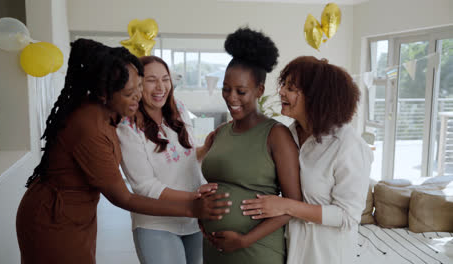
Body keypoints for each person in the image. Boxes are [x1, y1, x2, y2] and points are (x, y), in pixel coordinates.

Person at [16, 39, 230, 264]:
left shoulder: (112, 112)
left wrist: (205, 149)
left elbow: (175, 157)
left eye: (138, 86)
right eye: (130, 92)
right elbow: (124, 196)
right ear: (104, 93)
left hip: (79, 212)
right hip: (53, 215)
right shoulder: (92, 128)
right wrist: (190, 206)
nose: (138, 97)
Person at [241, 56, 374, 264]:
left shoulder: (348, 145)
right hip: (286, 250)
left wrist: (287, 206)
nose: (281, 92)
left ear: (317, 97)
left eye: (291, 88)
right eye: (284, 84)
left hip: (325, 256)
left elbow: (347, 216)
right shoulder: (286, 135)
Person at [200, 27, 302, 264]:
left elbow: (293, 205)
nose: (231, 97)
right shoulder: (220, 133)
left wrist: (245, 240)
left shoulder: (276, 135)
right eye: (226, 89)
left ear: (260, 90)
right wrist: (201, 209)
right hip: (214, 247)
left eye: (241, 91)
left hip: (256, 249)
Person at [117, 55, 218, 264]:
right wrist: (194, 199)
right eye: (151, 80)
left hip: (193, 221)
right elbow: (144, 186)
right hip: (156, 225)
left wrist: (206, 148)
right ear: (137, 84)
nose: (160, 87)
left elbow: (185, 159)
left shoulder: (178, 109)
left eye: (165, 79)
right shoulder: (127, 126)